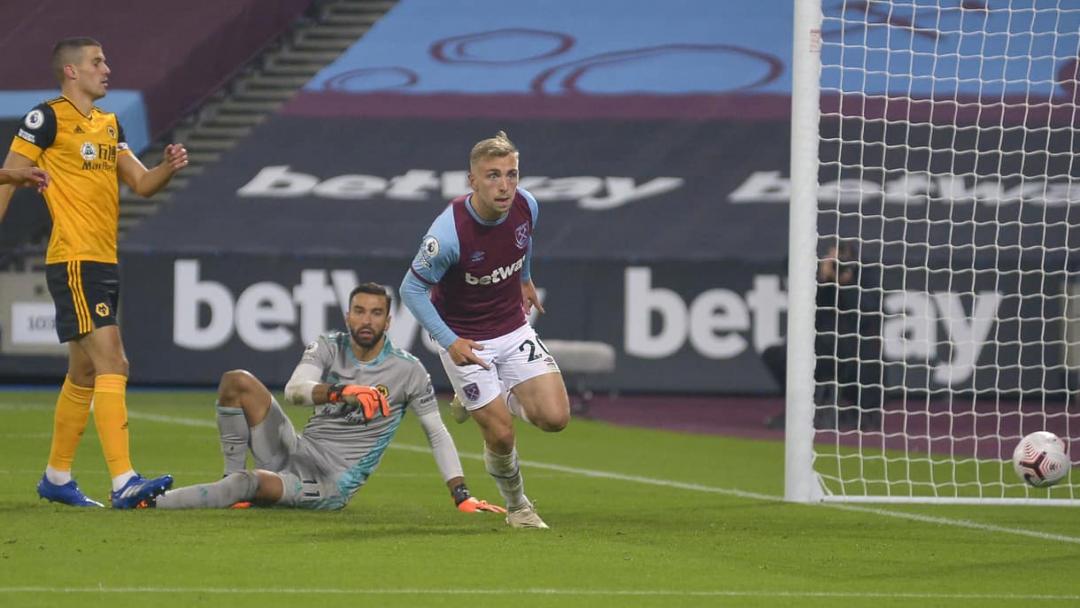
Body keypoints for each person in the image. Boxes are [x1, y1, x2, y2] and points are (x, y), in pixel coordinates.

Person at [0, 37, 188, 508]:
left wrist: (167, 166)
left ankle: (57, 476)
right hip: (75, 258)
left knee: (84, 371)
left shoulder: (109, 124)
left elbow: (141, 183)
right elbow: (9, 174)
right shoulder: (47, 118)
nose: (107, 68)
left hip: (103, 259)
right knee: (113, 362)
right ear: (71, 72)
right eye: (97, 62)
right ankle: (124, 479)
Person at [149, 283, 504, 514]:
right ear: (348, 315)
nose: (367, 320)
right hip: (296, 450)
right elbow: (294, 391)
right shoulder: (328, 346)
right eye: (360, 311)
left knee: (249, 481)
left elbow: (437, 433)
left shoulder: (408, 371)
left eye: (376, 313)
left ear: (388, 321)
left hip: (329, 481)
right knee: (236, 381)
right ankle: (230, 484)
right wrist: (342, 393)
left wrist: (462, 496)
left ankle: (153, 504)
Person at [400, 131, 570, 529]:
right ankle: (519, 508)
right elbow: (411, 289)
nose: (505, 186)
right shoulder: (447, 236)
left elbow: (521, 243)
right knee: (501, 434)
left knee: (555, 418)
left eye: (511, 174)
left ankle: (484, 395)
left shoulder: (527, 205)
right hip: (466, 339)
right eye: (493, 176)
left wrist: (525, 278)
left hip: (512, 328)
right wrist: (449, 341)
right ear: (472, 180)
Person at [762, 239, 883, 430]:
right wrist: (822, 279)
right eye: (834, 260)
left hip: (855, 351)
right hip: (819, 346)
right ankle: (800, 407)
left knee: (837, 346)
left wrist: (846, 284)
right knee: (776, 354)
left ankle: (845, 407)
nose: (838, 265)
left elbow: (867, 313)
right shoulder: (819, 276)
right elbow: (806, 305)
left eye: (842, 260)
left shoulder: (866, 275)